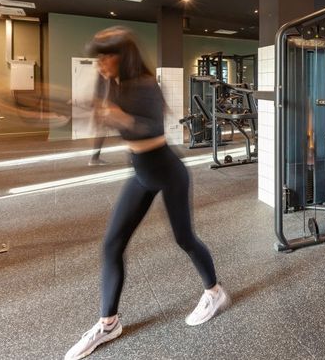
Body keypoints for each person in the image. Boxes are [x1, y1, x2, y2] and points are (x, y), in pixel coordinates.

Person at [65, 27, 229, 360]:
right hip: (141, 175)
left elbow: (151, 127)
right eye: (98, 58)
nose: (100, 64)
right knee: (112, 244)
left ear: (122, 57)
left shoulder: (146, 84)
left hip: (168, 172)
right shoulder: (110, 83)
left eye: (105, 57)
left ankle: (215, 292)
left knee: (185, 238)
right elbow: (101, 117)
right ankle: (108, 323)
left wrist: (118, 116)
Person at [88, 68, 112, 167]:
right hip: (104, 108)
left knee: (101, 132)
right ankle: (94, 159)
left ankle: (94, 158)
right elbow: (99, 92)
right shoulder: (103, 75)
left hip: (108, 107)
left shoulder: (108, 76)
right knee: (101, 132)